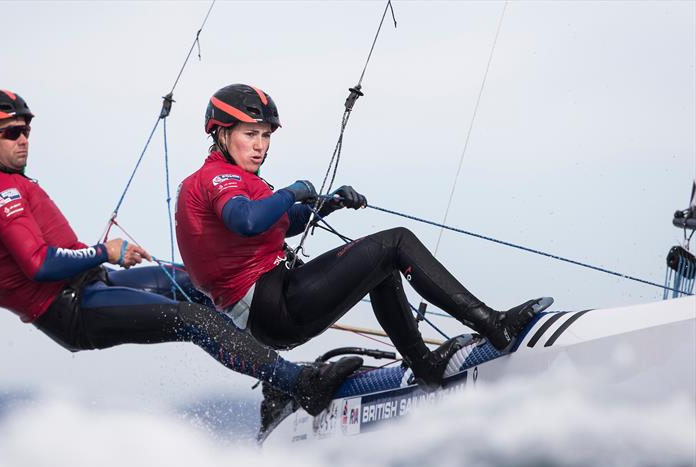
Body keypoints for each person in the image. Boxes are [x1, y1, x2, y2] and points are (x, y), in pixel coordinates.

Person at [0, 89, 362, 416]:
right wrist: (104, 251)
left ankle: (275, 381)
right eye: (10, 133)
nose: (23, 140)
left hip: (91, 283)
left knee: (199, 283)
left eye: (25, 131)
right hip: (67, 307)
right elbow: (40, 264)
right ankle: (300, 383)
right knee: (194, 318)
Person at [175, 84, 552, 388]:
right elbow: (246, 221)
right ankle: (492, 325)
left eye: (265, 135)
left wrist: (329, 204)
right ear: (222, 133)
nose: (260, 145)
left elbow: (284, 223)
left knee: (382, 265)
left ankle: (424, 364)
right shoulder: (215, 179)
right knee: (396, 242)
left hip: (276, 302)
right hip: (272, 306)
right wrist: (290, 191)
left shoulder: (240, 180)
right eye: (250, 134)